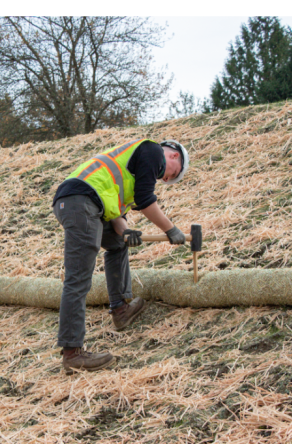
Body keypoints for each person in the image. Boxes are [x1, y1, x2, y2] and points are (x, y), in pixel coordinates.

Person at [52, 139, 190, 374]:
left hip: (88, 203)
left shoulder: (132, 171)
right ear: (174, 156)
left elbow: (116, 215)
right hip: (81, 200)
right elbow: (147, 200)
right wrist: (170, 229)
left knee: (117, 245)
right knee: (78, 279)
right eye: (170, 175)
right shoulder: (152, 151)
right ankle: (72, 352)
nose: (164, 179)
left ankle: (120, 309)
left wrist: (125, 232)